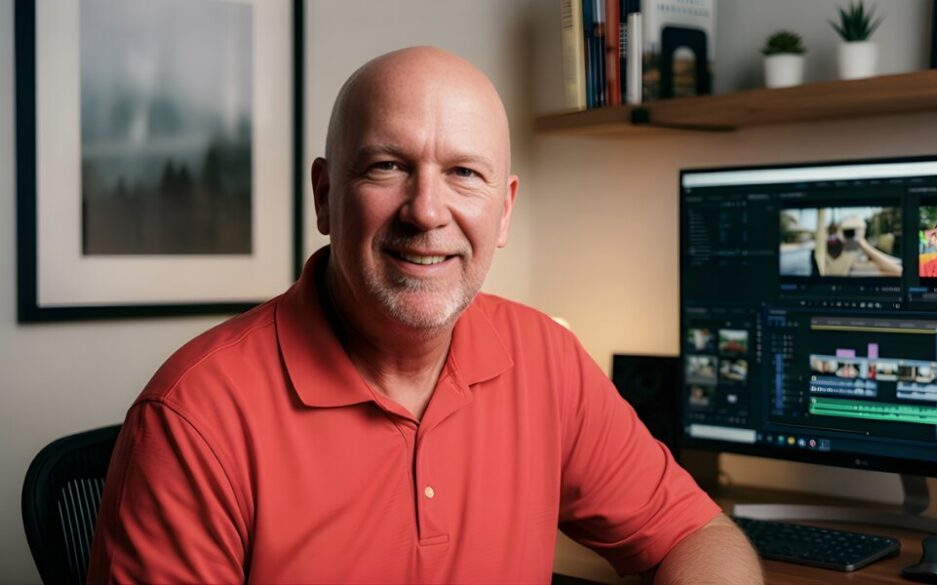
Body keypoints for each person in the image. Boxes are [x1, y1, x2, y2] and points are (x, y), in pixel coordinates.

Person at [88, 47, 762, 584]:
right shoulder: (194, 417)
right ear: (326, 197)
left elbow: (695, 533)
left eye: (465, 173)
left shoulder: (545, 358)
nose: (427, 211)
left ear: (504, 210)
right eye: (387, 166)